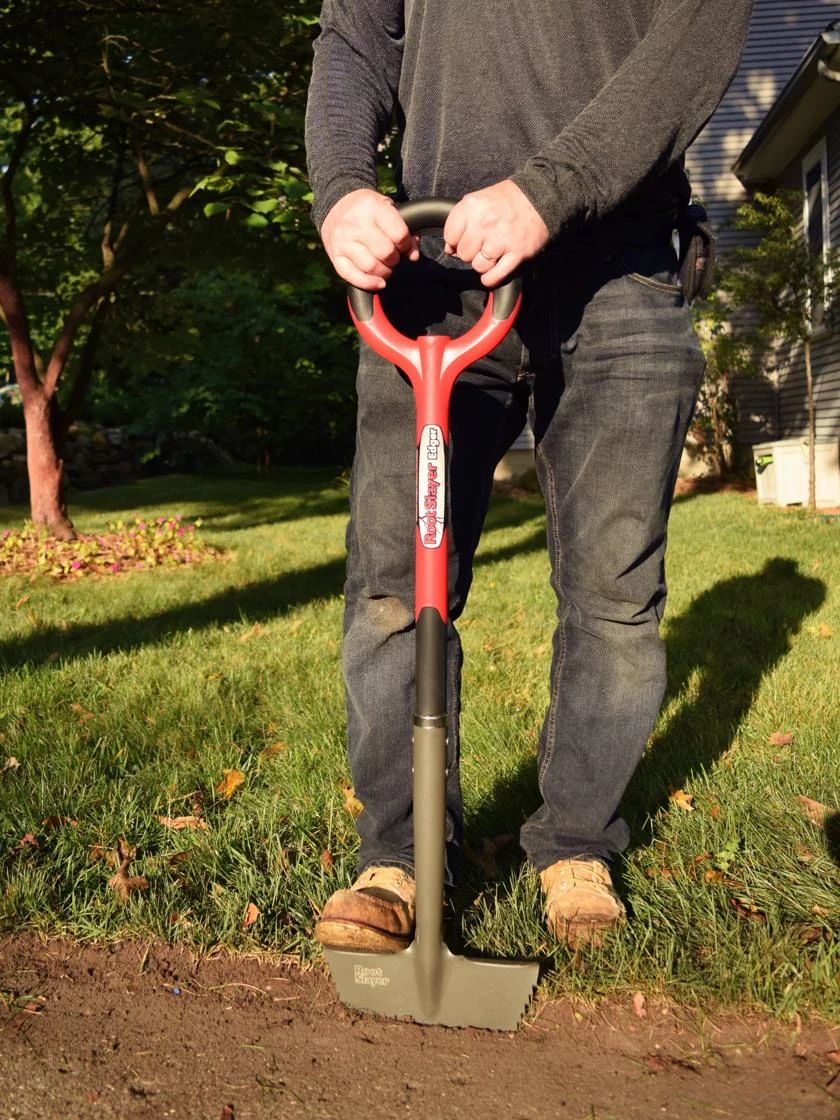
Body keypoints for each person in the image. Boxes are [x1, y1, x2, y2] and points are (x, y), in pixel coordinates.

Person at [305, 0, 752, 950]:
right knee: (396, 583)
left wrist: (549, 192)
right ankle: (400, 854)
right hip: (434, 273)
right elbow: (353, 40)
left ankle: (576, 845)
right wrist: (341, 189)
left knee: (613, 596)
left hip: (623, 271)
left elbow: (701, 32)